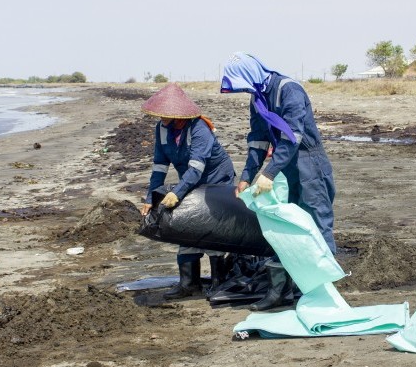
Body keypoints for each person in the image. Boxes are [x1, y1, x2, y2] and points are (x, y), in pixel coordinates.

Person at [221, 52, 336, 311]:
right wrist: (247, 176)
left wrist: (269, 173)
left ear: (251, 74)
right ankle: (285, 291)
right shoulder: (258, 99)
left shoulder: (289, 90)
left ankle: (325, 292)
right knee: (291, 226)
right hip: (287, 165)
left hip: (309, 162)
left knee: (318, 222)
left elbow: (292, 136)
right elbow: (258, 139)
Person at [139, 83, 235, 298]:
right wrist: (150, 197)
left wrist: (177, 193)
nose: (161, 118)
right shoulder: (162, 129)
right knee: (185, 225)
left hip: (216, 179)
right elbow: (159, 166)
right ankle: (189, 284)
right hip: (190, 180)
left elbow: (197, 167)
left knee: (212, 227)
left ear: (177, 113)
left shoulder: (199, 128)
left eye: (165, 114)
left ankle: (219, 282)